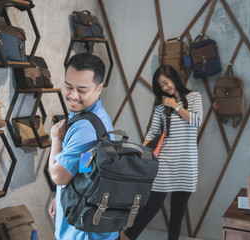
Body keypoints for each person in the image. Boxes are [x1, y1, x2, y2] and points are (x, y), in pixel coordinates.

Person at [119, 65, 203, 240]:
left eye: (166, 82)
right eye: (161, 86)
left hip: (187, 164)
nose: (165, 88)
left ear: (174, 78)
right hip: (165, 162)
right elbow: (153, 131)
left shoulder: (194, 97)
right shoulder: (161, 105)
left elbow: (196, 120)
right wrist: (142, 150)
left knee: (178, 211)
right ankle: (127, 236)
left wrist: (176, 106)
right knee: (152, 204)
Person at [48, 53, 118, 240]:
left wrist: (56, 140)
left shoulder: (84, 127)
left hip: (81, 232)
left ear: (99, 88)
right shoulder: (98, 115)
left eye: (82, 90)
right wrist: (61, 196)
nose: (73, 96)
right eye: (68, 86)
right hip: (93, 221)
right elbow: (85, 164)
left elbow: (58, 176)